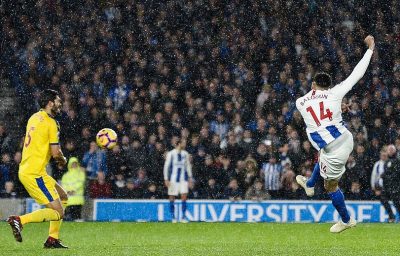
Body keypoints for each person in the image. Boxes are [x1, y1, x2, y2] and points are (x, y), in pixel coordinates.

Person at [295, 36, 375, 233]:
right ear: (328, 85)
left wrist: (336, 108)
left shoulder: (300, 102)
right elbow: (357, 74)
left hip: (332, 149)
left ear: (313, 84)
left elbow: (316, 110)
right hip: (345, 139)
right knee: (322, 158)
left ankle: (347, 220)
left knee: (331, 186)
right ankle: (310, 184)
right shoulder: (335, 93)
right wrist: (370, 49)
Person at [7, 89, 69, 248]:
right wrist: (63, 159)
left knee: (63, 196)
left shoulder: (33, 117)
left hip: (29, 169)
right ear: (50, 103)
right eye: (57, 100)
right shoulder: (51, 123)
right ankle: (19, 220)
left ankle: (52, 239)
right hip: (35, 174)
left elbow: (40, 143)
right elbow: (55, 153)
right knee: (58, 212)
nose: (60, 103)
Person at [163, 138, 193, 223]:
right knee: (172, 197)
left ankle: (183, 217)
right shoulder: (171, 154)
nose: (185, 144)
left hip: (183, 179)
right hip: (173, 179)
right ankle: (173, 217)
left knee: (184, 197)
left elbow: (188, 166)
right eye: (183, 143)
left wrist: (190, 177)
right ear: (179, 144)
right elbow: (166, 166)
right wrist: (166, 179)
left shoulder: (185, 154)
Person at [380, 145, 400, 222]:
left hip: (395, 186)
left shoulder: (397, 161)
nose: (390, 151)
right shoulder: (387, 162)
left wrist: (385, 176)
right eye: (389, 150)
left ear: (395, 151)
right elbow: (387, 174)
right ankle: (391, 216)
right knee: (383, 198)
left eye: (392, 150)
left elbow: (396, 174)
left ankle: (392, 217)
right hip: (387, 186)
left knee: (396, 202)